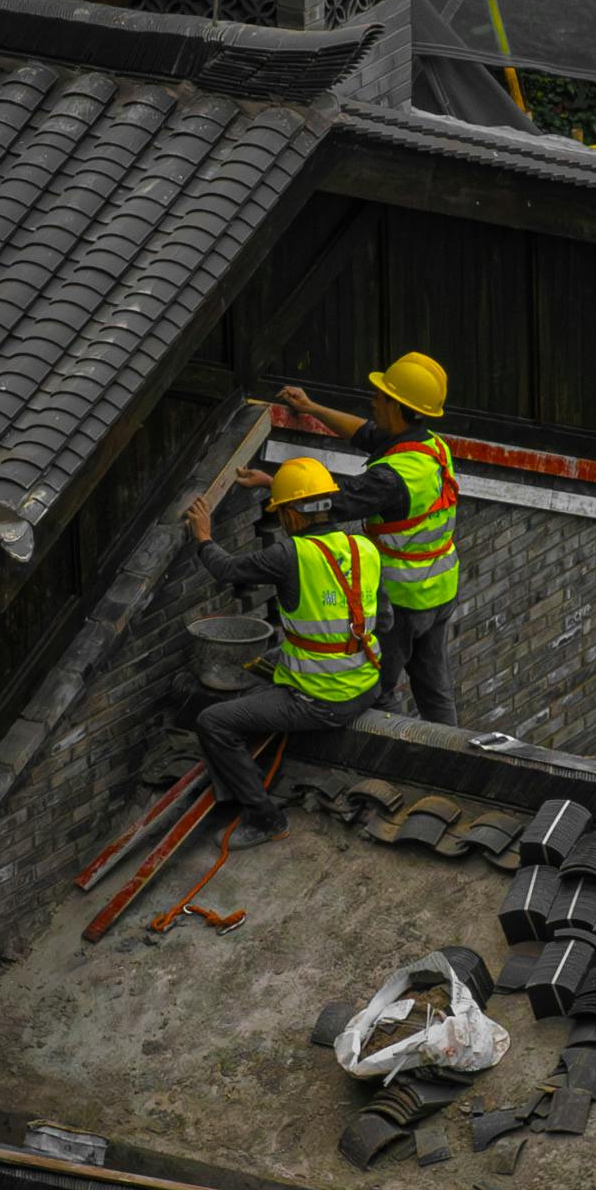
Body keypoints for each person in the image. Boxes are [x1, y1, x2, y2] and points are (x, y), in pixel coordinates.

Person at [181, 455, 382, 845]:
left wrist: (203, 537)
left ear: (290, 516)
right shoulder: (364, 549)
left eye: (280, 512)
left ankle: (263, 816)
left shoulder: (288, 555)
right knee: (273, 662)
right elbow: (383, 623)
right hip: (367, 684)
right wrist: (273, 485)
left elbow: (229, 570)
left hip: (321, 700)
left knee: (214, 721)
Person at [270, 350, 460, 724]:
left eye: (380, 395)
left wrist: (274, 488)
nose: (373, 400)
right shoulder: (429, 446)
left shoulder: (389, 478)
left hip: (401, 604)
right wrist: (312, 408)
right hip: (439, 591)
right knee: (435, 690)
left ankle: (384, 761)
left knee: (376, 690)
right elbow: (366, 435)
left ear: (398, 406)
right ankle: (451, 758)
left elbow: (331, 506)